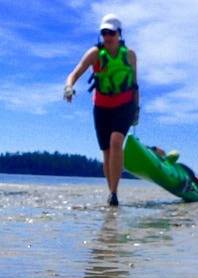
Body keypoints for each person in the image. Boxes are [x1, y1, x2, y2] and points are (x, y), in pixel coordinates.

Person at [64, 14, 139, 206]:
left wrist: (136, 109)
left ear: (119, 34)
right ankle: (112, 193)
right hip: (102, 106)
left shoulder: (129, 55)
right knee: (106, 150)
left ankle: (114, 191)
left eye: (111, 32)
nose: (107, 36)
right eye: (104, 32)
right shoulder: (95, 54)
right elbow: (74, 73)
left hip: (125, 105)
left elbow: (134, 85)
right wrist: (69, 87)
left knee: (116, 142)